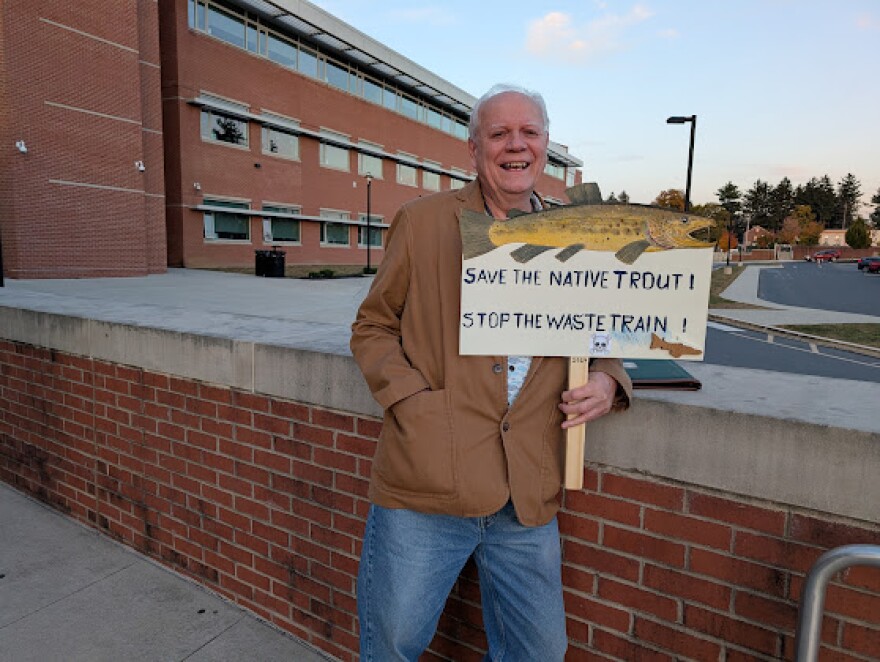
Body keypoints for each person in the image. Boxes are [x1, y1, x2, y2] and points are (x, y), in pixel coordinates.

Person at [350, 83, 632, 661]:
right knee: (394, 644)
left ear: (546, 146)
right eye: (499, 133)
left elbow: (601, 333)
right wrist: (413, 407)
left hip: (526, 491)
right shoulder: (423, 222)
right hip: (425, 483)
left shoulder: (577, 239)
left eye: (529, 132)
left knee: (540, 652)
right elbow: (373, 327)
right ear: (473, 148)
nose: (515, 145)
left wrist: (607, 377)